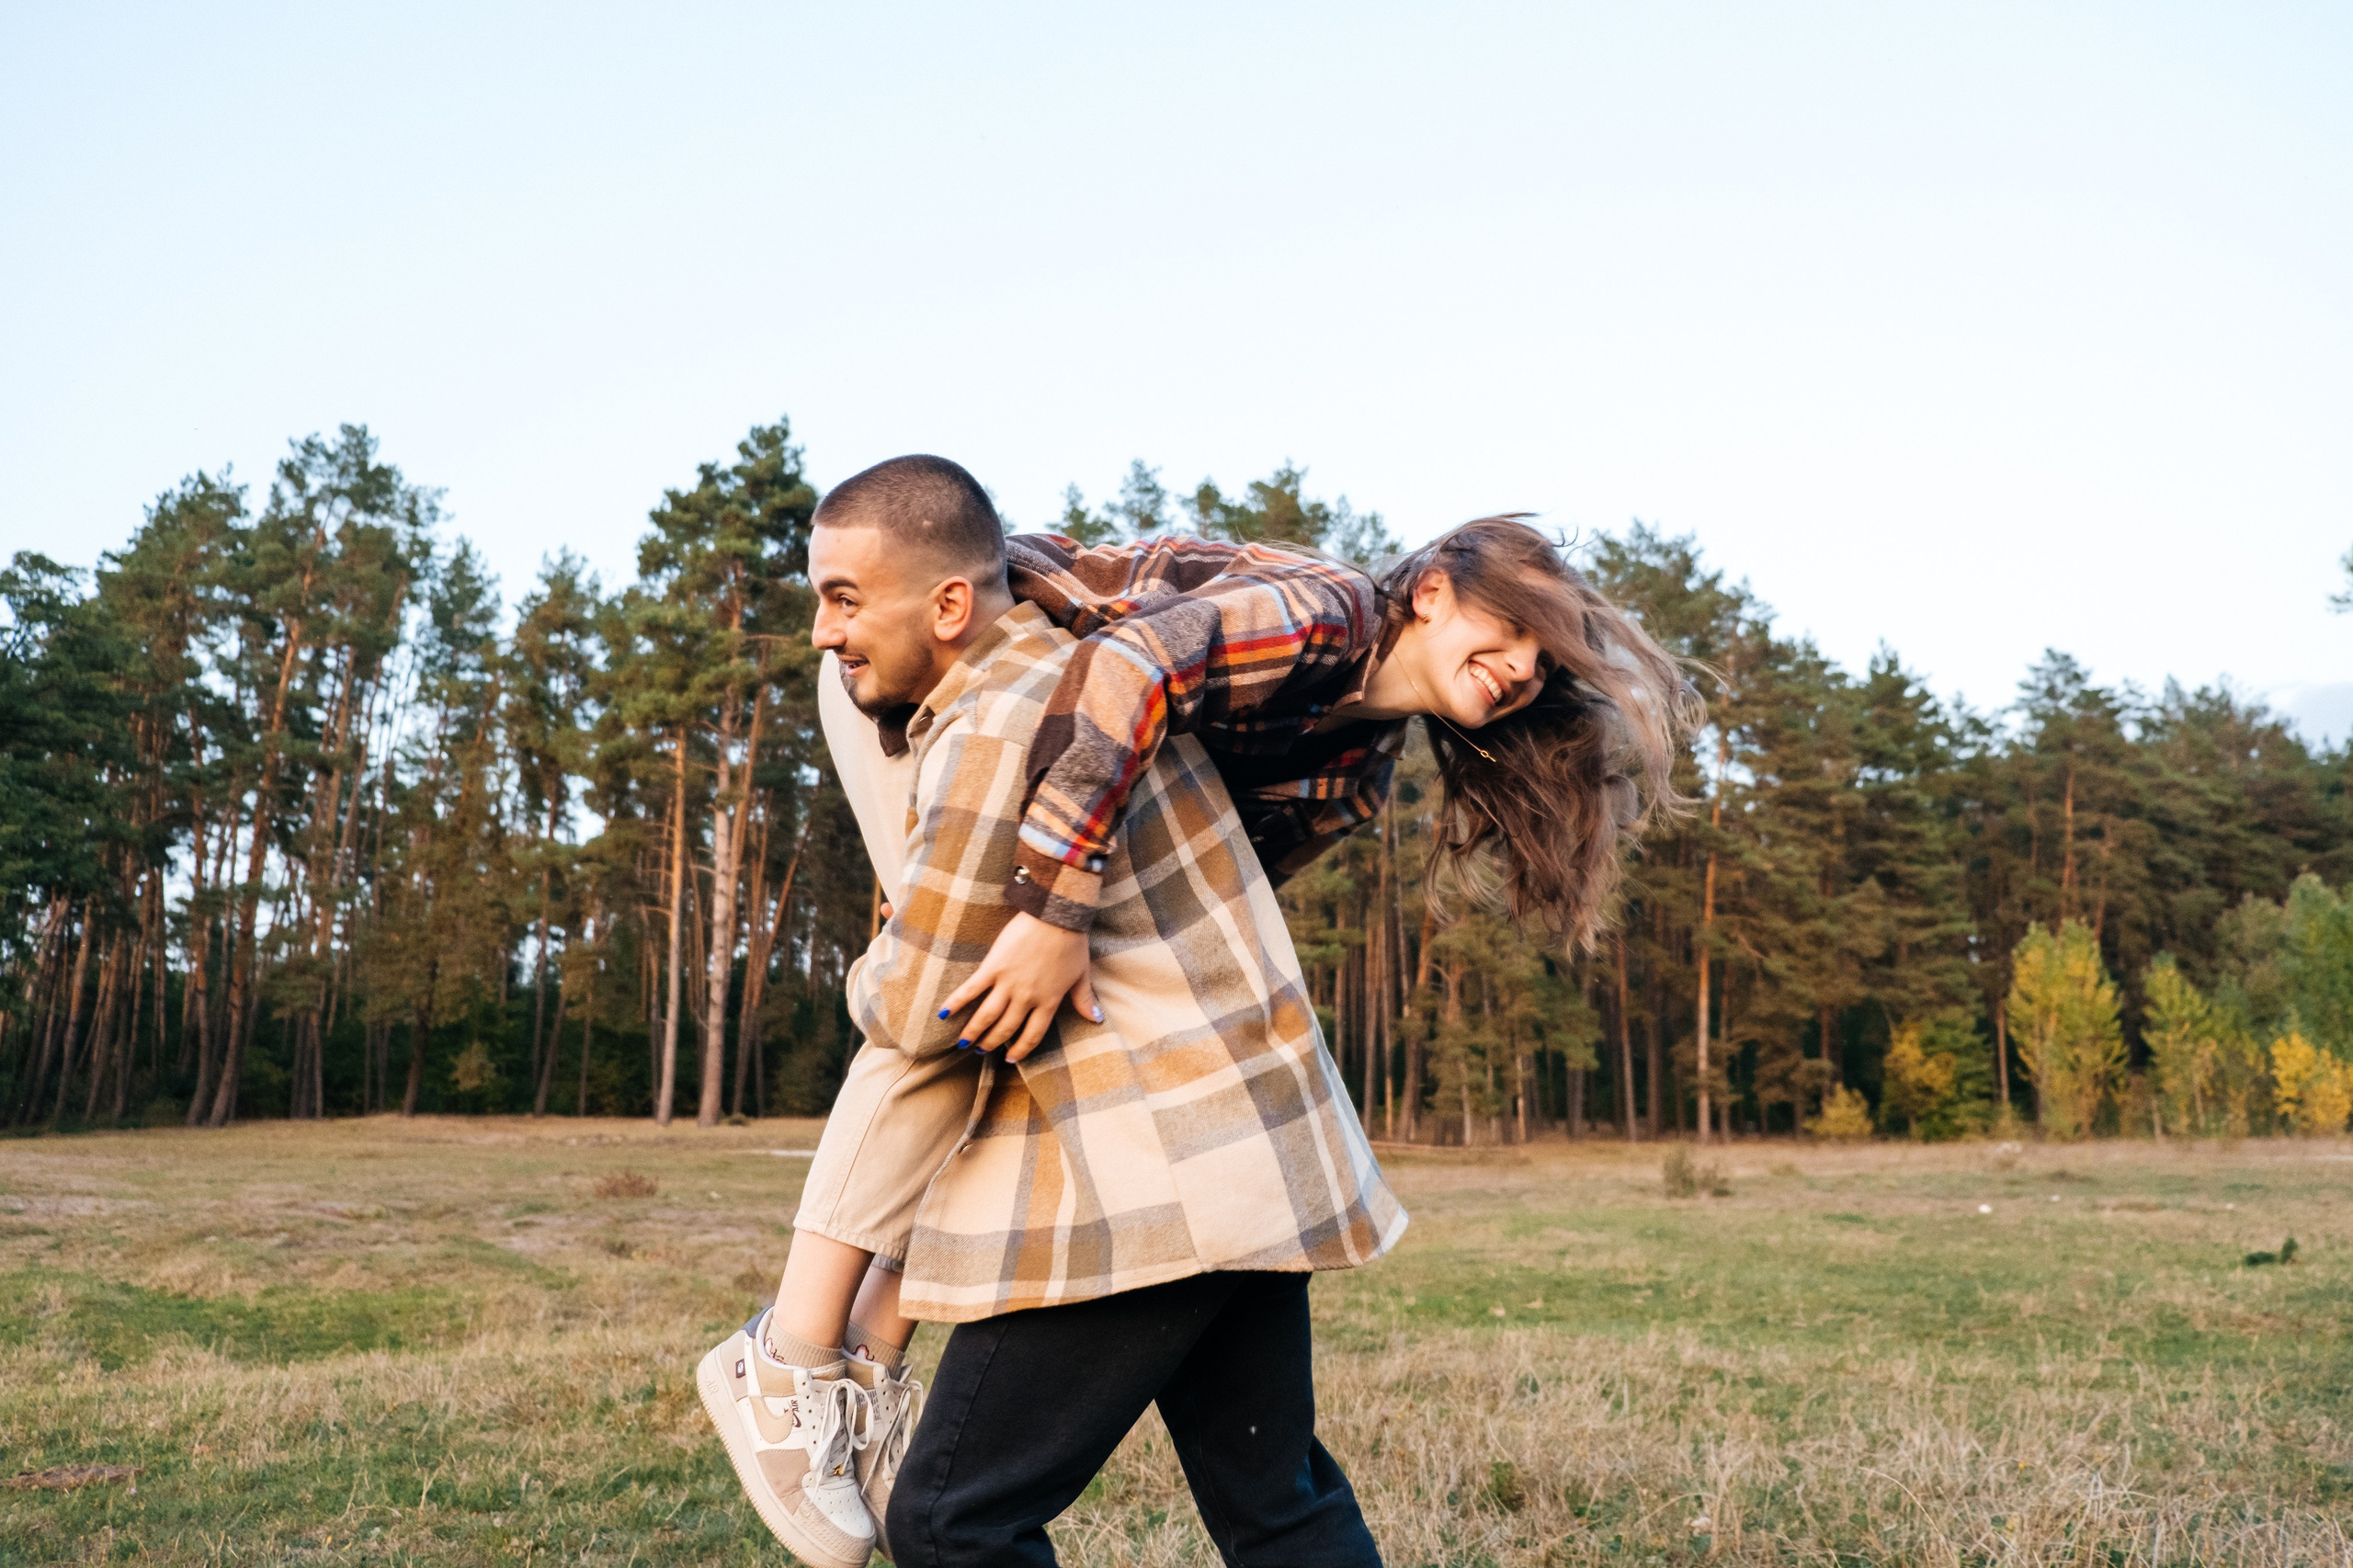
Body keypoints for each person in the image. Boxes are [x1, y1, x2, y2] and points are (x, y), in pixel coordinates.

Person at [697, 456, 1406, 1568]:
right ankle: (845, 1346)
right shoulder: (1086, 680)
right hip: (1248, 1160)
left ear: (948, 605)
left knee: (950, 1520)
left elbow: (919, 1007)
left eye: (842, 600)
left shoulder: (1000, 717)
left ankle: (791, 1357)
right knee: (1278, 1503)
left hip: (1156, 1179)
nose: (823, 635)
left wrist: (870, 965)